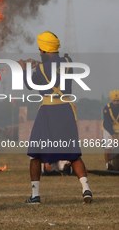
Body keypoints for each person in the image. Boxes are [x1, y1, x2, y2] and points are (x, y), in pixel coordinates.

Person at [18, 31, 92, 204]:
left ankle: (35, 195)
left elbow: (30, 84)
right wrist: (38, 64)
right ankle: (86, 189)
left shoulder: (41, 69)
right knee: (73, 154)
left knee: (35, 154)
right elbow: (54, 68)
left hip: (48, 111)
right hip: (66, 110)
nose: (39, 53)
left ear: (44, 49)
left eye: (40, 50)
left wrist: (25, 68)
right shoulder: (68, 61)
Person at [102, 90, 119, 170]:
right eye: (114, 101)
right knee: (108, 147)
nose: (116, 103)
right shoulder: (106, 108)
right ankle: (107, 165)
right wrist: (115, 138)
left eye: (117, 101)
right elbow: (107, 124)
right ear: (112, 100)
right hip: (108, 129)